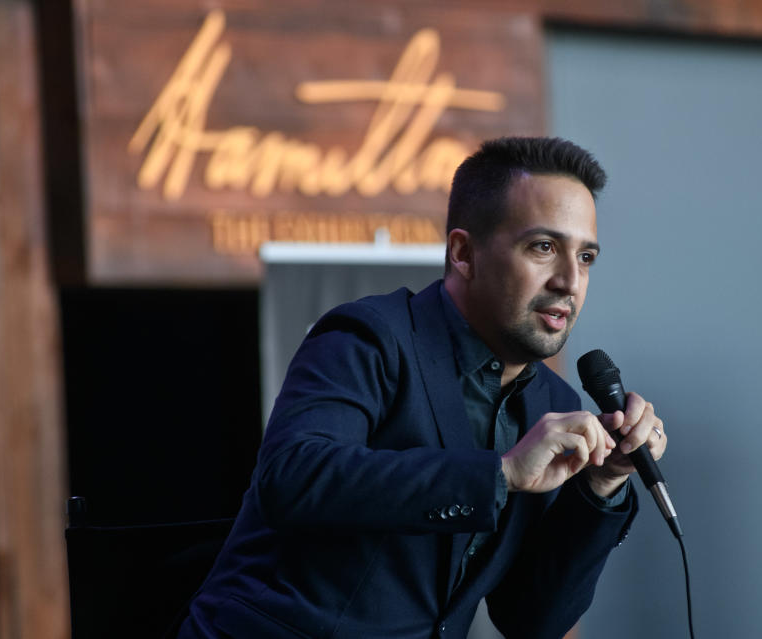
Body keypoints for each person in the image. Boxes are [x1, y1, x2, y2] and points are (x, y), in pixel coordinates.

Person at [177, 137, 667, 639]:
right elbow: (293, 477)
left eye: (586, 257)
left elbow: (530, 620)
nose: (570, 280)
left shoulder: (553, 403)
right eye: (543, 247)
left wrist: (601, 486)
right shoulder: (368, 337)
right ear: (462, 252)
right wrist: (500, 475)